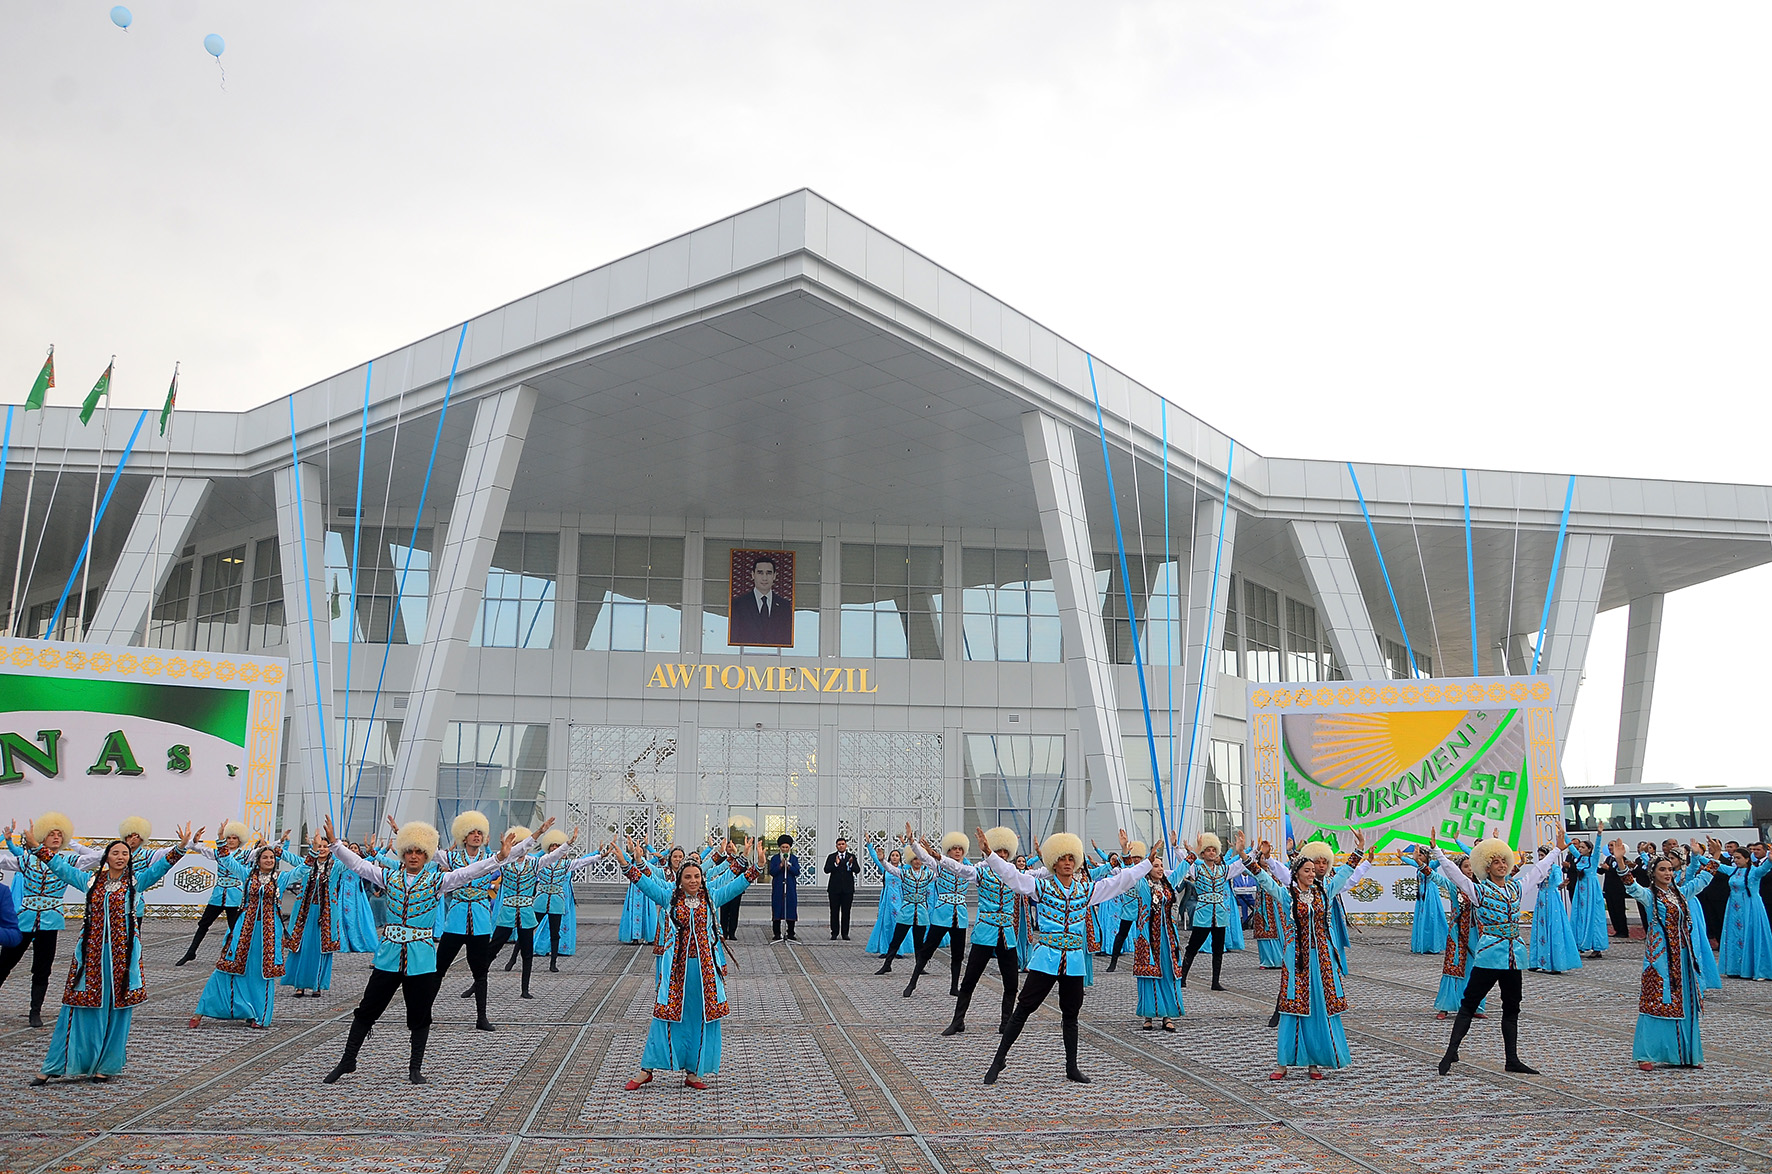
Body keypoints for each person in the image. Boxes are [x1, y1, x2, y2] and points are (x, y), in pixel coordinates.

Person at [322, 816, 515, 1085]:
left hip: (421, 958)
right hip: (389, 956)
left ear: (427, 856)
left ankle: (415, 1067)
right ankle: (348, 1060)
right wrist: (335, 844)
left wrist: (497, 859)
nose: (414, 856)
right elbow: (359, 865)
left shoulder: (438, 881)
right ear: (402, 854)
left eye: (419, 852)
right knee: (368, 1008)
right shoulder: (388, 876)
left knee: (420, 1013)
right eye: (409, 851)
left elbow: (467, 873)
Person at [21, 818, 198, 1084]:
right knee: (78, 1005)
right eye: (115, 852)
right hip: (90, 955)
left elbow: (161, 868)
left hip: (122, 958)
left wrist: (182, 847)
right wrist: (36, 847)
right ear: (106, 857)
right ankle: (58, 1063)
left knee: (117, 1008)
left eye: (124, 854)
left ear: (129, 858)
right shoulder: (91, 881)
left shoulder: (135, 883)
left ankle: (107, 1065)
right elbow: (59, 867)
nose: (120, 856)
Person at [980, 828, 1150, 1085]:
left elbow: (1119, 882)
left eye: (1072, 859)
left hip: (1073, 961)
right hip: (1047, 957)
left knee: (1071, 1015)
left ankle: (1072, 1066)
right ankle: (998, 1059)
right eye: (1062, 859)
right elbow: (1012, 877)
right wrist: (990, 855)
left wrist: (1147, 863)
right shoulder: (1042, 887)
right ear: (1053, 862)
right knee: (1024, 1008)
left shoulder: (1086, 890)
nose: (1068, 863)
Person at [614, 836, 760, 1090]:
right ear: (680, 880)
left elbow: (738, 884)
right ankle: (646, 1069)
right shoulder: (668, 896)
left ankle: (694, 1071)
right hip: (676, 970)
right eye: (688, 877)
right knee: (665, 1016)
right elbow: (644, 882)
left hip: (704, 970)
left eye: (697, 877)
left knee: (701, 1017)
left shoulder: (712, 897)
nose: (693, 881)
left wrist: (756, 866)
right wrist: (626, 863)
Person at [1431, 827, 1567, 1076]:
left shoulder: (1515, 888)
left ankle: (1512, 1059)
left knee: (1512, 1007)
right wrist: (1437, 852)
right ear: (1486, 867)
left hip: (1514, 957)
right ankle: (1451, 1050)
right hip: (1490, 955)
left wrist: (1557, 849)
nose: (1502, 865)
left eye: (1504, 861)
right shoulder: (1479, 890)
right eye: (1496, 862)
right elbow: (1457, 876)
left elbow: (1537, 872)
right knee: (1469, 1003)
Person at [1251, 835, 1369, 1079]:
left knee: (1320, 1006)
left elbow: (1345, 874)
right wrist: (1246, 856)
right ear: (1297, 873)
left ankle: (1314, 1062)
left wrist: (1358, 849)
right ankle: (1283, 1063)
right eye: (1308, 870)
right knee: (1293, 1005)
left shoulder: (1323, 892)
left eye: (1313, 870)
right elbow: (1264, 880)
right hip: (1297, 959)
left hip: (1323, 957)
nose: (1313, 874)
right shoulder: (1287, 895)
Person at [1612, 840, 1712, 1069]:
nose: (1668, 873)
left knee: (1685, 1003)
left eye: (1670, 869)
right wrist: (1619, 860)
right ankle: (1647, 1054)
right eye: (1662, 870)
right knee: (1656, 1001)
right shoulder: (1650, 896)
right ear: (1653, 873)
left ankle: (1686, 1054)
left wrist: (1711, 857)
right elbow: (1631, 886)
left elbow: (1703, 880)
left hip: (1684, 958)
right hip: (1660, 959)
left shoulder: (1682, 893)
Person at [433, 811, 534, 1031]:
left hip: (479, 920)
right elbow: (426, 851)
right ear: (463, 836)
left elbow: (517, 851)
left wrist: (538, 833)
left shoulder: (491, 859)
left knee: (480, 971)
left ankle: (481, 1017)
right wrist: (399, 834)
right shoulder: (451, 858)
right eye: (472, 832)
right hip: (456, 920)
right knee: (439, 968)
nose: (476, 836)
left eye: (480, 832)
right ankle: (425, 1012)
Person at [921, 826, 1023, 1036]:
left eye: (1005, 852)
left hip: (1007, 936)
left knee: (1011, 982)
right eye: (998, 851)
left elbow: (1041, 874)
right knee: (970, 979)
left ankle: (1006, 1023)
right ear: (990, 851)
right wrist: (938, 856)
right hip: (985, 933)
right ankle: (958, 1021)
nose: (1002, 855)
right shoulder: (980, 871)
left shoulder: (1015, 874)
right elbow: (960, 869)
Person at [190, 842, 297, 1029]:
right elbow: (227, 860)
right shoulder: (247, 875)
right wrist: (222, 843)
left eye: (272, 857)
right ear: (258, 860)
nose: (269, 860)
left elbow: (303, 868)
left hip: (269, 933)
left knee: (262, 973)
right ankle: (203, 1010)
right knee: (229, 967)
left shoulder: (280, 878)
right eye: (265, 857)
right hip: (244, 929)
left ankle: (259, 1016)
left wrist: (313, 850)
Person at [2, 811, 80, 1027]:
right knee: (5, 962)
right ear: (42, 836)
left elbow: (94, 858)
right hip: (24, 920)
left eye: (59, 834)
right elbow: (4, 861)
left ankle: (35, 1011)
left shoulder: (69, 861)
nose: (56, 837)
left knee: (43, 968)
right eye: (51, 834)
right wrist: (7, 839)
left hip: (49, 922)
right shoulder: (27, 859)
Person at [482, 823, 575, 997]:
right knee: (492, 948)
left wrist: (568, 844)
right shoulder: (505, 862)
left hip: (526, 912)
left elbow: (553, 857)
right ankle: (477, 982)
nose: (521, 848)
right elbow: (487, 861)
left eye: (523, 844)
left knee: (527, 952)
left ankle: (525, 989)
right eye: (517, 845)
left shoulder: (534, 863)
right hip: (508, 912)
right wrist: (490, 846)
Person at [1177, 830, 1249, 990]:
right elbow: (1184, 863)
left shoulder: (1223, 870)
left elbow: (1239, 865)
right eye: (1208, 849)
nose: (1211, 852)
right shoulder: (1198, 869)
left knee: (1218, 948)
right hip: (1204, 912)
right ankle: (1182, 977)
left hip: (1220, 914)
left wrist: (1244, 851)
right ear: (1203, 852)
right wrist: (1178, 848)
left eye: (1213, 850)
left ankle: (1215, 981)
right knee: (1193, 946)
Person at [178, 819, 254, 966]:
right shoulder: (219, 853)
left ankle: (239, 956)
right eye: (228, 838)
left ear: (240, 840)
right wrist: (194, 840)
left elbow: (265, 851)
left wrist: (281, 841)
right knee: (204, 924)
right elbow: (198, 848)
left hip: (235, 896)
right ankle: (191, 951)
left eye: (234, 838)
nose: (231, 841)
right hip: (218, 895)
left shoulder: (246, 855)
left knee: (235, 927)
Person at [906, 829, 971, 996]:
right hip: (942, 914)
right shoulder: (939, 865)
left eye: (960, 849)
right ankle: (912, 982)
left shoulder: (969, 868)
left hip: (960, 916)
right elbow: (924, 857)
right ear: (948, 851)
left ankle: (954, 986)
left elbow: (990, 864)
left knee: (958, 954)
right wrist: (913, 843)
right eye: (954, 848)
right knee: (927, 950)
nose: (957, 851)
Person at [531, 828, 602, 967]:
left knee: (561, 924)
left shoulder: (566, 864)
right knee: (543, 924)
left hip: (564, 897)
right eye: (552, 846)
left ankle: (560, 951)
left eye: (558, 846)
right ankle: (541, 948)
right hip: (546, 897)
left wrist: (598, 853)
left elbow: (583, 861)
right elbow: (533, 859)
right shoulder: (543, 862)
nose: (555, 848)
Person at [1132, 845, 1182, 1033]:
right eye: (1155, 866)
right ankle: (1148, 1015)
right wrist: (1136, 856)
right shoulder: (1143, 885)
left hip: (1167, 937)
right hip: (1148, 937)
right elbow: (1132, 875)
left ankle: (1167, 1015)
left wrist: (1192, 851)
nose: (1160, 869)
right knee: (1150, 973)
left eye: (1161, 865)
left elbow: (1182, 870)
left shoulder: (1168, 884)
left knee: (1168, 973)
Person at [1431, 853, 1486, 1020]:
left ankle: (1476, 1005)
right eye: (1465, 867)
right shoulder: (1453, 885)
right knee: (1453, 967)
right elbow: (1435, 877)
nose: (1469, 870)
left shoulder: (1479, 886)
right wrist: (1421, 864)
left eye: (1471, 866)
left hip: (1477, 933)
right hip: (1457, 933)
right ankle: (1445, 1006)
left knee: (1477, 969)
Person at [873, 836, 935, 971]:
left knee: (919, 942)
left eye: (919, 859)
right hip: (907, 910)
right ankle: (887, 964)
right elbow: (890, 869)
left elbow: (939, 869)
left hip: (921, 911)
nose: (917, 862)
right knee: (897, 938)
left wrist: (929, 853)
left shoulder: (928, 875)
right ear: (911, 861)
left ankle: (920, 966)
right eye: (915, 859)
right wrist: (882, 860)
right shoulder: (905, 873)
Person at [1715, 840, 1772, 980]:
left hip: (1750, 906)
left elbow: (1764, 869)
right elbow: (1717, 866)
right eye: (1735, 858)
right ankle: (1735, 968)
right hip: (1733, 908)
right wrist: (1698, 856)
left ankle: (1755, 969)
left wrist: (1770, 861)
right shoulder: (1733, 870)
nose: (1736, 860)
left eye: (1739, 858)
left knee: (1750, 934)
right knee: (1735, 935)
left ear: (1747, 859)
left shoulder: (1754, 872)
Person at [1527, 845, 1582, 974]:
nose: (1541, 857)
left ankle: (1555, 963)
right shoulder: (1540, 869)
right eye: (1539, 855)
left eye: (1543, 855)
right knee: (1539, 928)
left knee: (1553, 928)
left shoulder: (1555, 869)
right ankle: (1537, 961)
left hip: (1551, 900)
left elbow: (1558, 882)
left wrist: (1562, 884)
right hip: (1541, 900)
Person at [865, 842, 918, 957]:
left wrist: (906, 844)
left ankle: (899, 950)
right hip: (887, 900)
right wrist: (869, 845)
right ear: (889, 857)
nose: (894, 857)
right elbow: (875, 858)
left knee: (899, 923)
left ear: (900, 858)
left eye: (897, 855)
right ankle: (885, 949)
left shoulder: (904, 869)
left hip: (900, 900)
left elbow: (913, 857)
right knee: (886, 924)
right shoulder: (885, 867)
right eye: (893, 855)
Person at [728, 554, 793, 645]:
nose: (764, 578)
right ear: (753, 575)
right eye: (760, 572)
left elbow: (787, 638)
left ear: (774, 576)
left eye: (768, 573)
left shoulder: (784, 606)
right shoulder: (738, 604)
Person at [1568, 837, 1609, 958]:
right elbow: (1570, 847)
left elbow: (1597, 849)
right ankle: (1580, 943)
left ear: (1589, 849)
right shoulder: (1580, 858)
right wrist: (1562, 833)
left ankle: (1596, 947)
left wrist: (1599, 834)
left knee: (1593, 916)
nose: (1580, 849)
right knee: (1579, 915)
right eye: (1579, 847)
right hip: (1581, 890)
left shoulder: (1593, 859)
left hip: (1591, 890)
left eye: (1583, 847)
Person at [1247, 840, 1285, 970]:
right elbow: (1247, 866)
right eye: (1261, 858)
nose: (1264, 860)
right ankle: (1266, 960)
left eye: (1266, 857)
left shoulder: (1276, 871)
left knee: (1280, 931)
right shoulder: (1257, 872)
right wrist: (1254, 852)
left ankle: (1280, 959)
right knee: (1263, 931)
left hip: (1275, 905)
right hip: (1262, 905)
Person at [618, 840, 663, 945]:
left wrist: (649, 845)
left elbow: (659, 857)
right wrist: (617, 843)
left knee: (646, 912)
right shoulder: (630, 862)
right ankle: (634, 937)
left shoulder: (647, 864)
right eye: (637, 850)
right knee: (634, 913)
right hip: (634, 892)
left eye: (641, 850)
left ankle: (650, 937)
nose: (638, 852)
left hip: (645, 892)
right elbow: (623, 856)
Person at [1409, 845, 1448, 955]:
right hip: (1422, 894)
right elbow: (1411, 862)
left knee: (1431, 917)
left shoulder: (1431, 865)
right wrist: (1401, 857)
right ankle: (1421, 944)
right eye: (1418, 855)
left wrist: (1441, 855)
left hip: (1430, 893)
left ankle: (1433, 945)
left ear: (1426, 856)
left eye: (1421, 855)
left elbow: (1438, 862)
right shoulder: (1418, 865)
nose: (1419, 857)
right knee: (1421, 918)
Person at [824, 837, 860, 940]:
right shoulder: (831, 857)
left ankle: (845, 933)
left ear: (846, 845)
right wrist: (836, 864)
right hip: (834, 889)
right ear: (836, 846)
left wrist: (851, 864)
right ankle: (834, 932)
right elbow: (826, 870)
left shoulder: (851, 857)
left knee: (846, 911)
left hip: (847, 889)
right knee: (834, 911)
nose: (841, 846)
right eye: (839, 844)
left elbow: (857, 870)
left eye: (843, 844)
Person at [768, 834, 801, 941]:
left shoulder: (794, 858)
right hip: (778, 887)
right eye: (783, 847)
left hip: (790, 887)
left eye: (787, 847)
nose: (785, 849)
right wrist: (781, 865)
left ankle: (790, 932)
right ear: (780, 848)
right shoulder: (775, 858)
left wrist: (789, 866)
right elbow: (772, 872)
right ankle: (777, 933)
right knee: (777, 908)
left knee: (790, 907)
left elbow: (797, 872)